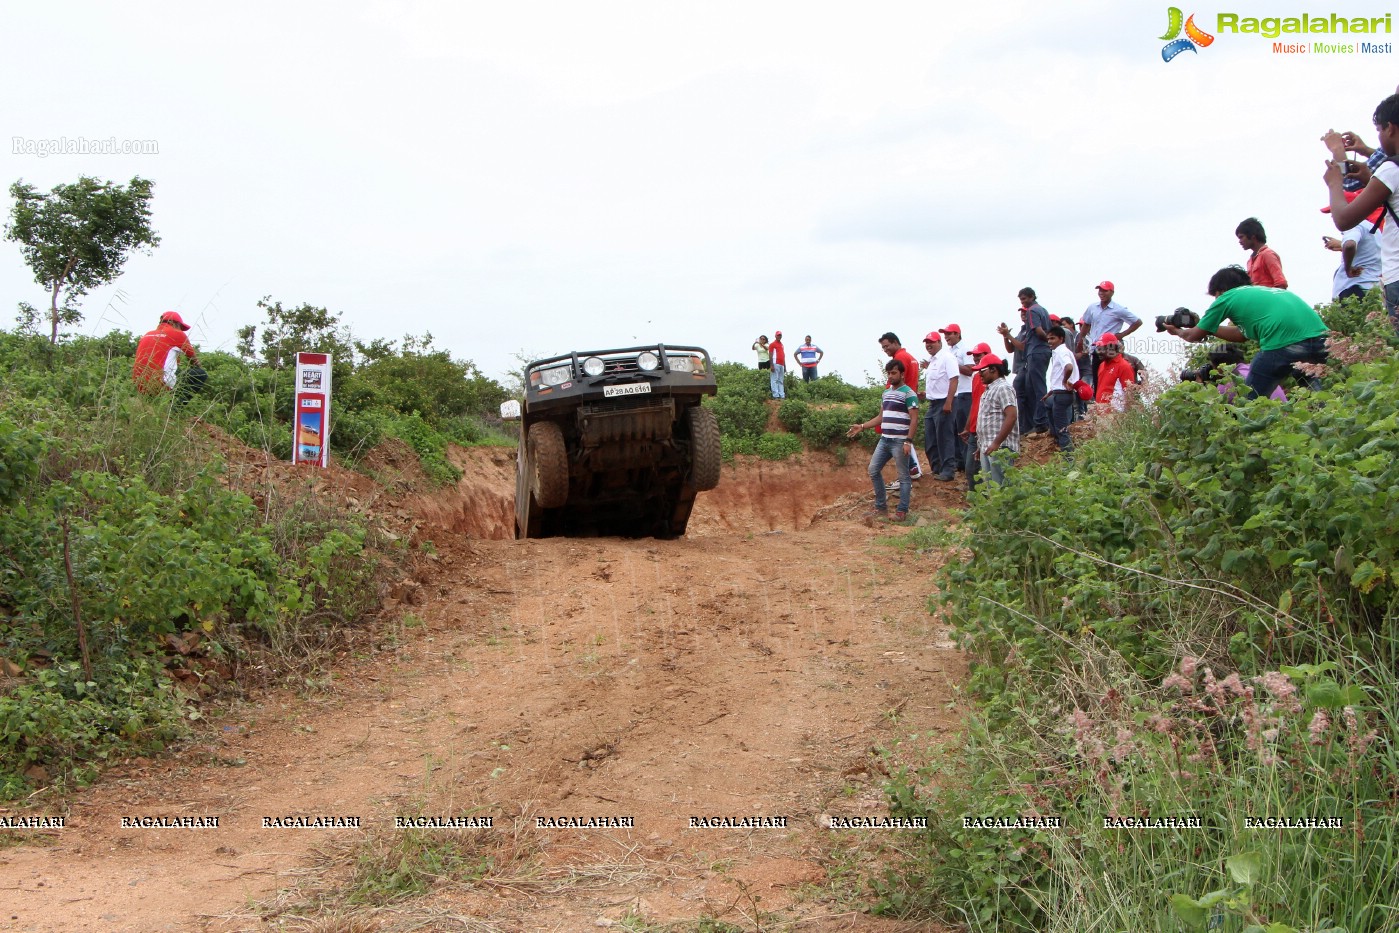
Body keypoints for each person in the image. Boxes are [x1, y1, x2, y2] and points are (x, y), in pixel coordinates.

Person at [1165, 266, 1328, 399]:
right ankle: (1324, 419)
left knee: (1250, 400)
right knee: (1312, 391)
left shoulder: (1226, 297)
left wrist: (1177, 331)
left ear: (1220, 291)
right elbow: (1240, 335)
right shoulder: (1263, 293)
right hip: (1321, 340)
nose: (1216, 300)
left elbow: (1193, 336)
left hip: (1284, 344)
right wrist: (1206, 327)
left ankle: (1246, 432)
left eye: (1215, 295)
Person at [1324, 93, 1399, 325]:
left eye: (1379, 129)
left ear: (1390, 128)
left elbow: (1344, 219)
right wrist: (1370, 178)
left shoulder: (1391, 169)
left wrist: (1334, 182)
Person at [847, 358, 919, 523]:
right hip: (885, 439)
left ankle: (902, 512)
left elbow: (914, 419)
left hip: (900, 441)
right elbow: (881, 417)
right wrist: (862, 426)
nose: (890, 376)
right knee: (873, 469)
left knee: (904, 477)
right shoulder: (886, 393)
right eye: (888, 373)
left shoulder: (909, 393)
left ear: (902, 374)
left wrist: (908, 441)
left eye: (893, 373)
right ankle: (881, 507)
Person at [997, 287, 1050, 435]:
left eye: (1025, 299)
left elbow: (1035, 335)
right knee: (1028, 390)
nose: (1024, 305)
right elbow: (1012, 349)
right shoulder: (1040, 311)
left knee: (1035, 389)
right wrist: (1006, 336)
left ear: (1032, 297)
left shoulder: (1033, 311)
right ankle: (1032, 423)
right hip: (1035, 354)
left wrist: (1049, 341)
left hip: (1035, 353)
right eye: (1021, 301)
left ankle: (1040, 422)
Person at [1079, 281, 1141, 389]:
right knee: (1097, 379)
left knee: (1112, 377)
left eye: (1105, 290)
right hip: (1096, 347)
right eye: (1100, 290)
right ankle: (1099, 403)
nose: (1101, 293)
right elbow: (1086, 324)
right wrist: (1081, 340)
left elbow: (1137, 322)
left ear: (1112, 292)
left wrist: (1121, 335)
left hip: (1111, 348)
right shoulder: (1092, 307)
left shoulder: (1118, 309)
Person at [973, 353, 1018, 486]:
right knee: (992, 489)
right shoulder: (989, 390)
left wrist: (997, 443)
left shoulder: (1003, 388)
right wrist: (980, 445)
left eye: (982, 371)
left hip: (1000, 448)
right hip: (988, 446)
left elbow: (1012, 415)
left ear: (993, 369)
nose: (979, 374)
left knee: (1001, 489)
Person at [920, 330, 959, 482]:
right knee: (930, 439)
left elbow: (954, 379)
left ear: (939, 343)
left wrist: (949, 402)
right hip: (933, 403)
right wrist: (926, 393)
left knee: (944, 437)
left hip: (944, 402)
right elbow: (938, 382)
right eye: (926, 342)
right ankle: (937, 469)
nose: (928, 345)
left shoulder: (947, 358)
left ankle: (948, 470)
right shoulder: (933, 361)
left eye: (931, 342)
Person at [132, 310, 200, 395]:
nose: (181, 330)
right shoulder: (178, 334)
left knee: (175, 370)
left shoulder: (147, 334)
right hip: (160, 384)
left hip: (139, 384)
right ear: (172, 323)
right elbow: (194, 362)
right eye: (180, 327)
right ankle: (175, 406)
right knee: (200, 374)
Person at [959, 342, 992, 491]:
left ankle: (983, 506)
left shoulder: (992, 378)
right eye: (974, 356)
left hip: (987, 430)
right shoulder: (976, 377)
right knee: (971, 469)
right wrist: (968, 426)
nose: (976, 358)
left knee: (982, 471)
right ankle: (977, 506)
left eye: (979, 355)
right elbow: (974, 404)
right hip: (974, 430)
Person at [942, 324, 975, 470]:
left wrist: (953, 363)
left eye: (949, 334)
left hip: (965, 392)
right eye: (945, 334)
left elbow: (970, 370)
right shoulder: (949, 351)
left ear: (957, 334)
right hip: (955, 394)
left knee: (963, 430)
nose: (946, 337)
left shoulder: (964, 349)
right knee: (954, 429)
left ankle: (968, 463)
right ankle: (959, 462)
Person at [1042, 326, 1079, 453]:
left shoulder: (1061, 351)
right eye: (1048, 339)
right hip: (1058, 393)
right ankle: (1056, 438)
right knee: (1047, 403)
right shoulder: (1060, 352)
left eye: (1052, 338)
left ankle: (1069, 457)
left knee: (1062, 429)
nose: (1050, 342)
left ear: (1061, 339)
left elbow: (1068, 367)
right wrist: (1051, 392)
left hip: (1063, 394)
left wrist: (1064, 382)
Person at [1236, 217, 1288, 289]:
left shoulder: (1268, 254)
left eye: (1241, 237)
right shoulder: (1250, 261)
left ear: (1252, 236)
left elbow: (1281, 284)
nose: (1240, 241)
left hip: (1268, 299)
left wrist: (1271, 300)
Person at [1093, 334, 1136, 412]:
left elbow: (1130, 395)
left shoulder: (1124, 366)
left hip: (1114, 416)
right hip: (1100, 414)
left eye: (1101, 348)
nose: (1098, 352)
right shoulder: (1102, 365)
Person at [769, 331, 786, 399]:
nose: (779, 336)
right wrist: (771, 365)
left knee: (780, 380)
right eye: (778, 335)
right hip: (775, 363)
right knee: (774, 379)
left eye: (780, 335)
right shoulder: (772, 344)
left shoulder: (781, 345)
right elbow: (770, 354)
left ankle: (782, 395)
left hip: (781, 364)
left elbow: (783, 355)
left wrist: (785, 366)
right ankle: (775, 395)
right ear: (775, 336)